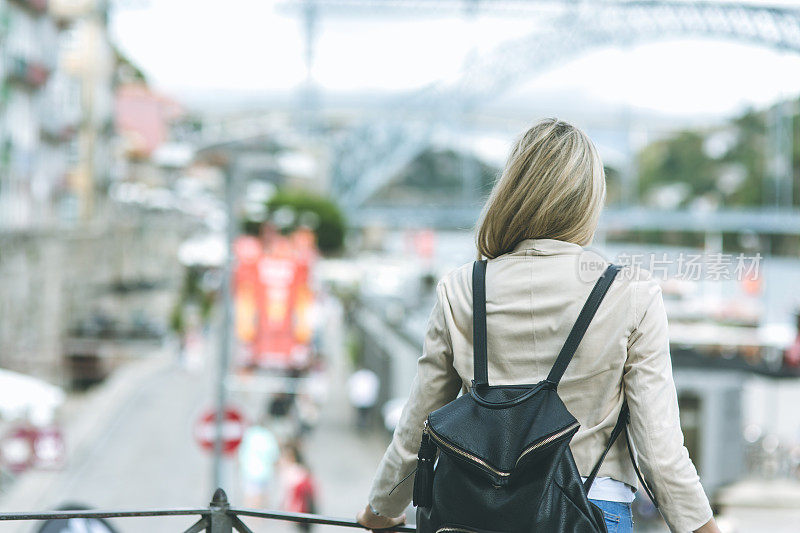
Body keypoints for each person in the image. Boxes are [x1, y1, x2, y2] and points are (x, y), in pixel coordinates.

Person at [357, 118, 720, 533]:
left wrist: (381, 508)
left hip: (475, 515)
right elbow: (660, 454)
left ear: (512, 191)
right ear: (589, 201)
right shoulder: (630, 293)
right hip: (592, 511)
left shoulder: (462, 289)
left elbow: (418, 428)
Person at [238, 411, 280, 508]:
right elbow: (274, 455)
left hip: (249, 470)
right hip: (264, 471)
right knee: (261, 497)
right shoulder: (268, 436)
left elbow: (242, 452)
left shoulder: (249, 434)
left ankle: (249, 518)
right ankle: (258, 519)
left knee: (250, 496)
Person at [280, 442, 317, 532]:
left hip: (300, 508)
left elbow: (290, 494)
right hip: (307, 508)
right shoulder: (303, 470)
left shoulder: (292, 472)